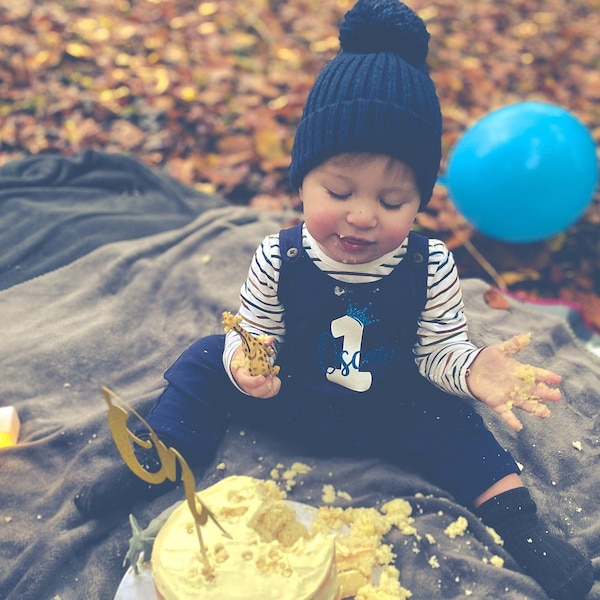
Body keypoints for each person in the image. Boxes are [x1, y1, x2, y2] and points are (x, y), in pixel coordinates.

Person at [75, 1, 594, 597]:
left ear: (420, 201)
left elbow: (438, 350)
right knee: (203, 360)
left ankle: (522, 529)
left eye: (392, 201)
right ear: (301, 180)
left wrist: (473, 368)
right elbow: (255, 331)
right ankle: (157, 459)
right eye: (339, 190)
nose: (361, 216)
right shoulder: (280, 257)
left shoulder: (431, 266)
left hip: (387, 406)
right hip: (292, 395)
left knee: (458, 426)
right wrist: (249, 365)